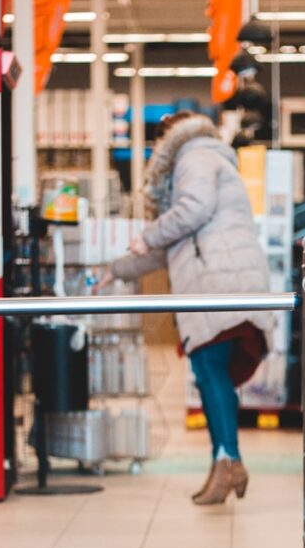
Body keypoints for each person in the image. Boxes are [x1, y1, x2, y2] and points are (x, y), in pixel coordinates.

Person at [98, 111, 272, 505]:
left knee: (211, 371)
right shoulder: (208, 156)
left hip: (218, 281)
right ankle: (225, 462)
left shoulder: (194, 154)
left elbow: (194, 209)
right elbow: (168, 247)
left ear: (168, 137)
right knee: (213, 373)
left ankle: (229, 462)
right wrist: (117, 269)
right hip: (223, 279)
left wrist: (148, 234)